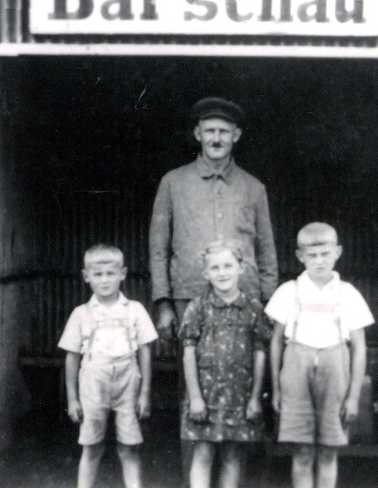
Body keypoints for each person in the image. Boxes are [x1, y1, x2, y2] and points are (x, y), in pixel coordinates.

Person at [149, 96, 278, 340]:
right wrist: (163, 302)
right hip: (189, 295)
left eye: (223, 132)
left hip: (244, 296)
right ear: (198, 134)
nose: (216, 139)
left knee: (245, 371)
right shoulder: (173, 182)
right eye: (209, 131)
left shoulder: (254, 187)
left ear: (236, 135)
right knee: (191, 372)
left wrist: (268, 300)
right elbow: (158, 249)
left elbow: (266, 250)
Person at [266, 222, 374, 488]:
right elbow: (276, 343)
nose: (319, 261)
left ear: (337, 252)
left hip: (335, 373)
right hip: (296, 374)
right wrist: (277, 390)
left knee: (328, 451)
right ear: (300, 256)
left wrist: (353, 396)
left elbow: (359, 348)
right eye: (312, 256)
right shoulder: (288, 291)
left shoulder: (348, 294)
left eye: (325, 254)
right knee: (302, 452)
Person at [58, 244, 158, 488]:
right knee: (91, 446)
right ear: (86, 277)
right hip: (93, 383)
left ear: (123, 274)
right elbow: (71, 357)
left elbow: (145, 350)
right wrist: (72, 399)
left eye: (111, 273)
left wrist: (144, 393)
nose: (104, 281)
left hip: (128, 383)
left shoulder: (134, 310)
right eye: (98, 274)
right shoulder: (81, 314)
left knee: (129, 446)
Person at [179, 240, 272, 488]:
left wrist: (254, 399)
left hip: (239, 397)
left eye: (228, 265)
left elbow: (260, 353)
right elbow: (188, 354)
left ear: (241, 268)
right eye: (215, 268)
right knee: (204, 453)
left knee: (232, 455)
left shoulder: (253, 309)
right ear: (205, 273)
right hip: (206, 396)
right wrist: (195, 398)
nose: (222, 273)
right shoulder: (197, 308)